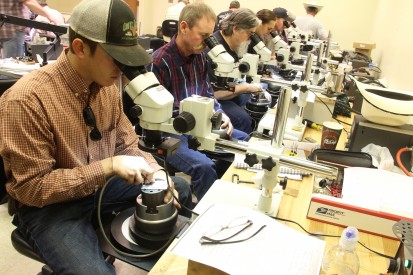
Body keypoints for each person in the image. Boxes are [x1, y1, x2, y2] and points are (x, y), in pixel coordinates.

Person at [0, 0, 192, 274]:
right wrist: (107, 167)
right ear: (80, 48)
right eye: (116, 57)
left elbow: (126, 143)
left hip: (98, 189)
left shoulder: (107, 88)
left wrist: (156, 171)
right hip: (50, 207)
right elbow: (32, 188)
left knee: (174, 188)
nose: (123, 68)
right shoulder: (27, 100)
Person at [147, 2, 250, 201]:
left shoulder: (201, 57)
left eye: (209, 36)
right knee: (203, 167)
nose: (206, 42)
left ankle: (216, 192)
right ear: (184, 27)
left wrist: (220, 113)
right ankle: (206, 214)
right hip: (170, 130)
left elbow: (208, 92)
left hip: (200, 123)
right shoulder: (160, 62)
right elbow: (154, 112)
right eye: (203, 36)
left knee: (244, 142)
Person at [207, 8, 270, 134]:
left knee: (263, 93)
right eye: (249, 33)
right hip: (215, 100)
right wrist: (245, 87)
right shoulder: (215, 52)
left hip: (229, 92)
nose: (250, 39)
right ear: (235, 29)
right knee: (244, 119)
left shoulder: (233, 46)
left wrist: (251, 87)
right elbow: (215, 94)